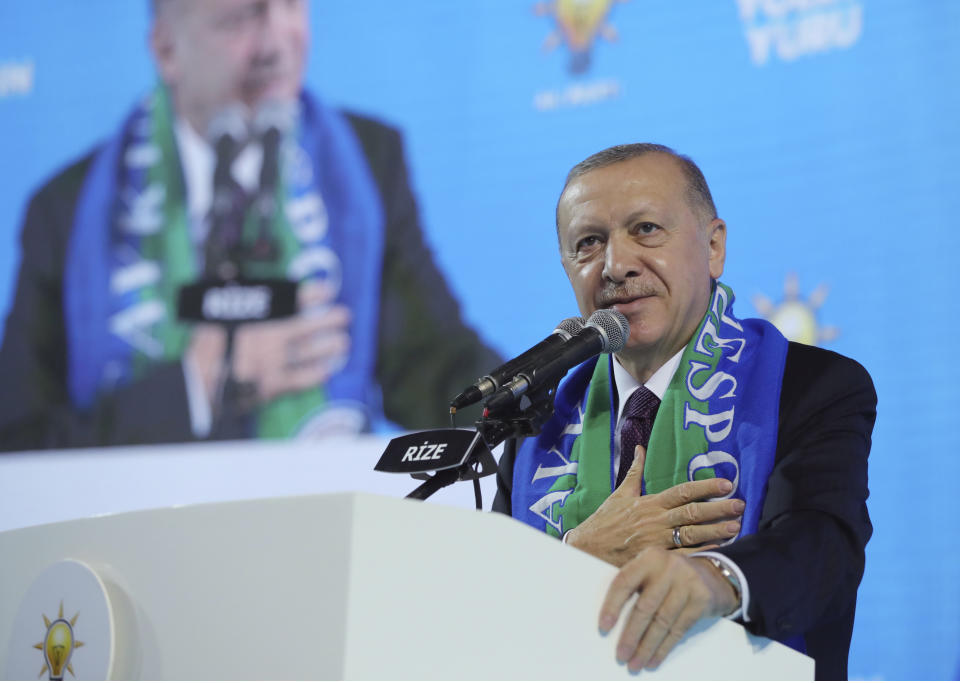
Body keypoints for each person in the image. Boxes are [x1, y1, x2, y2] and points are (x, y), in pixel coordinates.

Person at [0, 0, 500, 450]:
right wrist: (197, 387)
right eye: (239, 19)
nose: (275, 43)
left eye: (289, 6)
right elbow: (19, 444)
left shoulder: (367, 163)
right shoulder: (65, 210)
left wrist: (541, 401)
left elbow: (431, 369)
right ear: (166, 49)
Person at [493, 143, 875, 680]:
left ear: (714, 247)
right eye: (589, 243)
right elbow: (493, 612)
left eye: (646, 228)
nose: (616, 265)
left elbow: (822, 549)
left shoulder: (810, 386)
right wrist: (577, 556)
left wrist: (715, 580)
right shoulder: (537, 427)